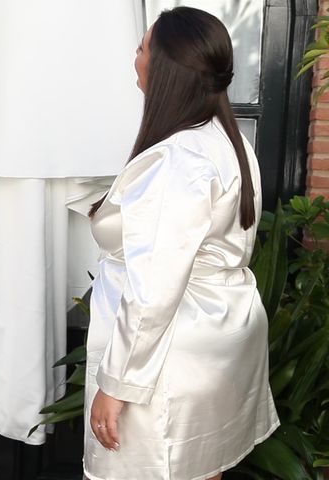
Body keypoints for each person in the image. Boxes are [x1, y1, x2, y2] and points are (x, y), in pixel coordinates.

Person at [84, 7, 279, 480]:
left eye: (141, 48)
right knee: (201, 469)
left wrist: (117, 384)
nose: (135, 58)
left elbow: (154, 288)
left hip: (169, 356)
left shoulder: (177, 158)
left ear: (164, 67)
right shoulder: (227, 139)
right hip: (221, 334)